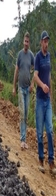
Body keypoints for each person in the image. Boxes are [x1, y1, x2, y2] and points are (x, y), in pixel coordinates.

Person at [34, 30, 56, 174]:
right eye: (44, 41)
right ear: (41, 42)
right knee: (40, 131)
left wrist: (52, 98)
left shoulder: (49, 57)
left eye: (48, 41)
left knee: (50, 130)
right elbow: (35, 76)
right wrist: (42, 86)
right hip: (40, 99)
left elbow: (49, 78)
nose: (46, 43)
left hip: (47, 101)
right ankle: (41, 159)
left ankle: (51, 161)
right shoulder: (37, 57)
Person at [13, 31, 35, 149]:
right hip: (21, 88)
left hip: (28, 88)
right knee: (22, 113)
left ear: (29, 43)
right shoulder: (20, 55)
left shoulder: (31, 55)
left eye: (28, 41)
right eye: (25, 41)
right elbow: (16, 70)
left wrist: (32, 84)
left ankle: (24, 139)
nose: (26, 43)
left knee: (26, 114)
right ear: (23, 42)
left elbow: (35, 69)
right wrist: (13, 86)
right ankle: (22, 140)